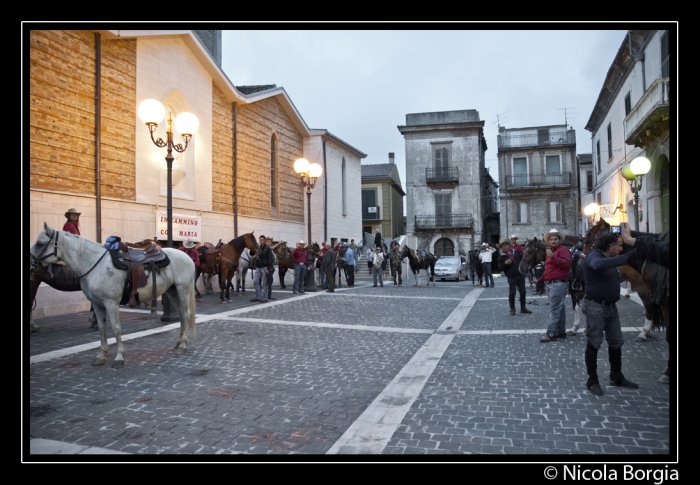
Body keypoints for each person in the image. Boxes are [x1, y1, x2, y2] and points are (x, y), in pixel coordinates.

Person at [582, 230, 639, 396]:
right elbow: (597, 265)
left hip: (611, 307)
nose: (621, 249)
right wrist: (627, 258)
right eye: (619, 246)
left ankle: (616, 376)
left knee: (616, 342)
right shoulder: (594, 256)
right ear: (610, 246)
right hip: (595, 307)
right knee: (594, 342)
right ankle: (592, 380)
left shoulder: (607, 258)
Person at [537, 229, 572, 342]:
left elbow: (567, 265)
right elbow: (548, 269)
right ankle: (561, 331)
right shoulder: (550, 251)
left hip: (558, 284)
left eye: (555, 239)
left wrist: (553, 257)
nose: (553, 241)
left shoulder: (563, 250)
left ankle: (551, 333)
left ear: (559, 240)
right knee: (559, 309)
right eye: (551, 239)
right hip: (551, 283)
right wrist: (539, 280)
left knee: (554, 310)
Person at [497, 239, 532, 316]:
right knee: (512, 292)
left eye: (505, 245)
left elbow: (522, 261)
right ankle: (512, 308)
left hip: (520, 274)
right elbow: (499, 268)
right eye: (502, 247)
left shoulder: (515, 252)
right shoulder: (501, 257)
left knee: (523, 292)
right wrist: (505, 264)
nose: (504, 247)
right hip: (511, 276)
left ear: (508, 245)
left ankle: (523, 308)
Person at [251, 235, 273, 303]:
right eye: (260, 240)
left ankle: (265, 297)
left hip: (265, 267)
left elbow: (270, 258)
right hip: (258, 267)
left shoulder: (268, 248)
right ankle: (258, 296)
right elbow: (251, 253)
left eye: (262, 240)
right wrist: (252, 247)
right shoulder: (258, 248)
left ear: (264, 240)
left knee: (265, 282)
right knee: (255, 281)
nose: (261, 241)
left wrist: (268, 268)